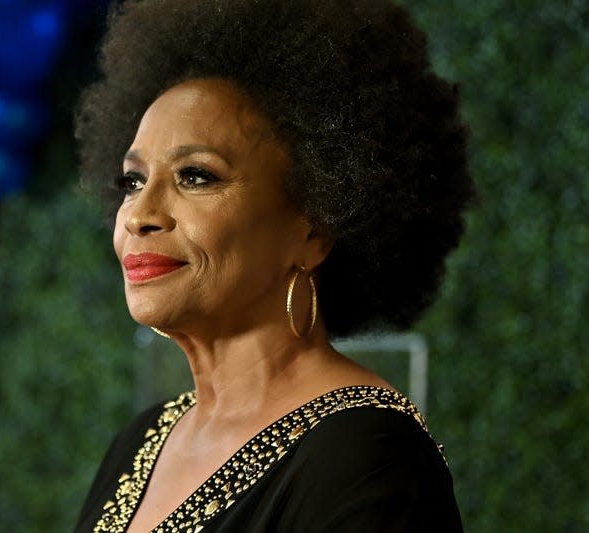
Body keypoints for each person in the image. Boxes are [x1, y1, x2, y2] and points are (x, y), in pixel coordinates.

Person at [73, 0, 474, 531]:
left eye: (196, 175)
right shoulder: (142, 442)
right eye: (132, 181)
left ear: (314, 228)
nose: (140, 215)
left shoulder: (365, 460)